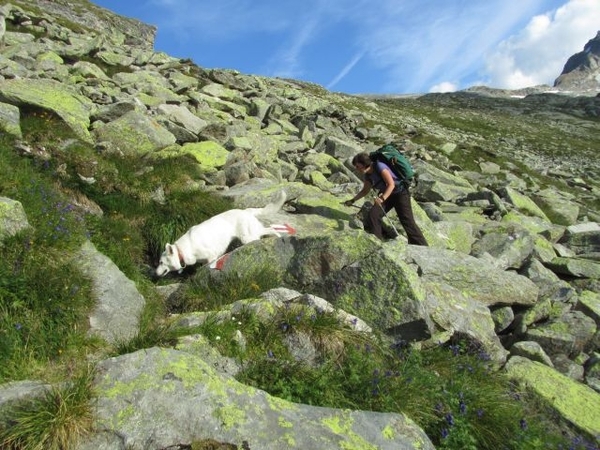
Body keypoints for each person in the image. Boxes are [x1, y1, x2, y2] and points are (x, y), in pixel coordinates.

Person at [344, 152, 428, 246]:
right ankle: (377, 243)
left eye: (358, 166)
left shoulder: (379, 166)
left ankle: (422, 246)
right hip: (387, 195)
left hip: (400, 193)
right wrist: (352, 200)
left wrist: (382, 198)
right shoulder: (368, 175)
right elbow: (364, 191)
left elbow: (391, 184)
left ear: (364, 163)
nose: (357, 169)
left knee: (407, 220)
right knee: (373, 215)